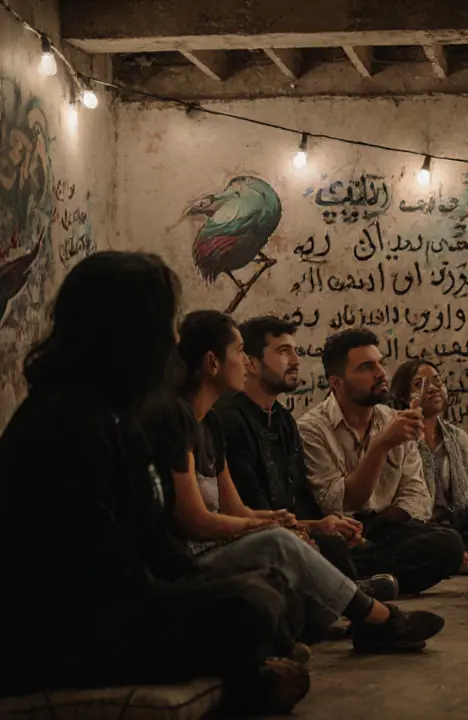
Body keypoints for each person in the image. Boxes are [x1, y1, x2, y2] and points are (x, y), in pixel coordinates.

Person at [0, 252, 307, 713]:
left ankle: (253, 668)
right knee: (248, 608)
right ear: (130, 334)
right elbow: (98, 573)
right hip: (66, 630)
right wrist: (203, 596)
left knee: (266, 588)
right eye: (166, 326)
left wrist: (206, 582)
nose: (174, 341)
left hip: (119, 601)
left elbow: (155, 539)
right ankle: (252, 677)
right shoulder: (64, 422)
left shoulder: (116, 416)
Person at [151, 310, 444, 652]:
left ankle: (343, 606)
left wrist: (279, 520)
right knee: (282, 546)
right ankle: (379, 618)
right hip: (193, 558)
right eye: (240, 352)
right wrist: (273, 528)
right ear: (213, 363)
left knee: (307, 549)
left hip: (229, 544)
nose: (245, 363)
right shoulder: (179, 421)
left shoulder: (212, 424)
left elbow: (237, 508)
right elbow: (195, 520)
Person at [215, 316, 397, 596]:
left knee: (341, 540)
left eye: (295, 351)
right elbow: (251, 509)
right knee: (328, 548)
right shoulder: (228, 420)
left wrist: (324, 525)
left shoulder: (283, 420)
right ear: (250, 363)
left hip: (291, 532)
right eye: (283, 351)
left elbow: (299, 497)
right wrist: (312, 528)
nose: (296, 361)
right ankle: (352, 597)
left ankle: (347, 592)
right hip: (257, 539)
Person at [299, 328, 466, 595]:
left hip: (387, 528)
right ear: (337, 383)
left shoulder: (394, 419)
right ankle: (361, 583)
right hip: (342, 534)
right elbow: (337, 503)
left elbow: (417, 496)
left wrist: (379, 526)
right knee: (330, 552)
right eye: (366, 367)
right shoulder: (312, 430)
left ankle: (360, 585)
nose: (380, 373)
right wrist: (381, 445)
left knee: (448, 545)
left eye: (379, 362)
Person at [389, 358, 468, 569]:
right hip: (420, 525)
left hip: (458, 521)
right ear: (403, 396)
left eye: (437, 382)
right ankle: (465, 556)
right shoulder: (396, 436)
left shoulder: (457, 437)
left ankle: (463, 555)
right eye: (420, 384)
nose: (433, 389)